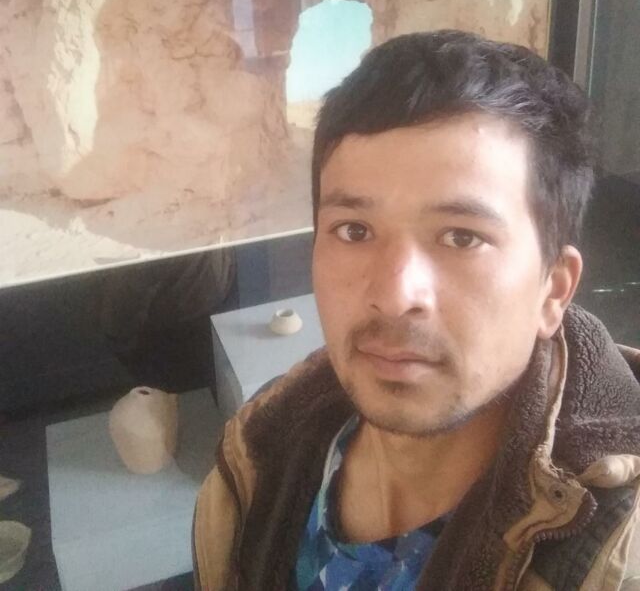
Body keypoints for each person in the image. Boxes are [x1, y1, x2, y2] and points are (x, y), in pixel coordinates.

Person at [193, 30, 640, 590]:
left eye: (461, 237)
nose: (394, 294)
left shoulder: (615, 558)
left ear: (552, 290)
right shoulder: (256, 460)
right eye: (354, 230)